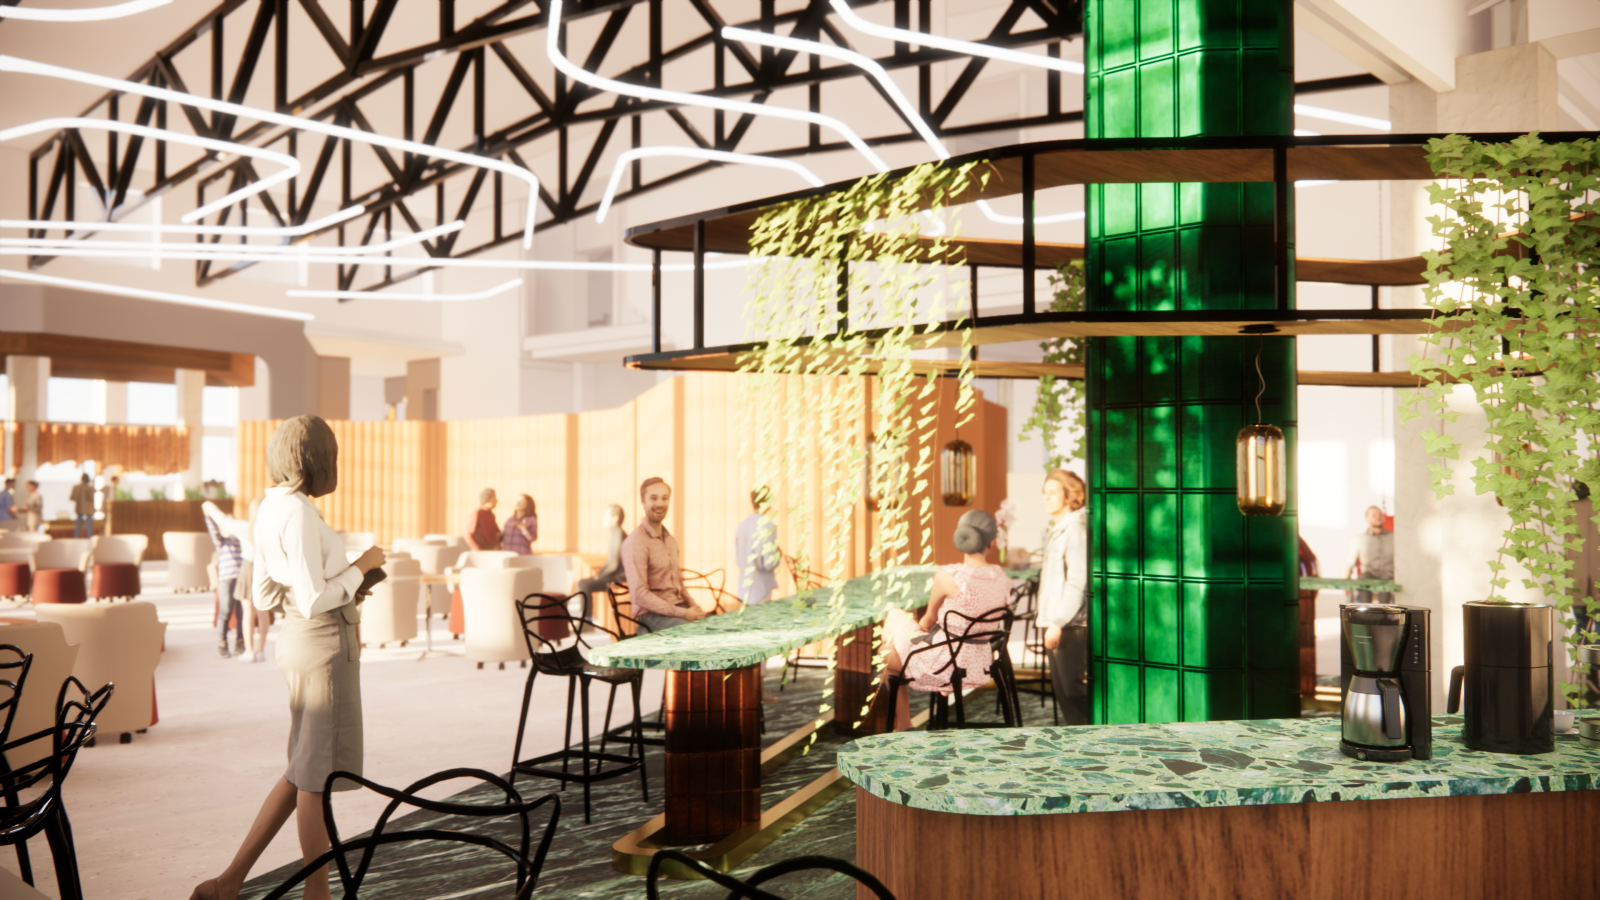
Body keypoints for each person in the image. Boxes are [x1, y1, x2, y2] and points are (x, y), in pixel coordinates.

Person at [189, 415, 385, 900]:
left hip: (298, 641)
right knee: (315, 780)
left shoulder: (270, 507)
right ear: (316, 458)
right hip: (324, 647)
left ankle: (226, 884)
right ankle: (316, 896)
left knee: (301, 771)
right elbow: (316, 598)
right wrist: (361, 568)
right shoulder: (298, 512)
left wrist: (343, 587)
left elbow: (262, 595)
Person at [880, 510, 1012, 731]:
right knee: (896, 632)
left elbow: (928, 620)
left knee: (887, 642)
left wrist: (914, 635)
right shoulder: (1002, 577)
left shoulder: (949, 576)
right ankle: (906, 719)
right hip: (981, 663)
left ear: (960, 537)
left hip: (946, 663)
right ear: (991, 543)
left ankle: (903, 723)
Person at [1036, 470, 1089, 725]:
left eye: (1053, 492)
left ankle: (1100, 740)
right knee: (1064, 694)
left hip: (1069, 625)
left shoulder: (1075, 530)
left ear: (1070, 496)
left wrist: (1058, 622)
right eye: (1044, 493)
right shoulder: (1059, 529)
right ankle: (1081, 742)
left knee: (1073, 692)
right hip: (1055, 622)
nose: (1046, 498)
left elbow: (1078, 582)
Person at [620, 477, 704, 633]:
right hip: (650, 617)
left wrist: (694, 608)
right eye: (653, 498)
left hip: (679, 610)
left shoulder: (670, 541)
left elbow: (678, 584)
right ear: (642, 501)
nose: (660, 503)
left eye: (665, 498)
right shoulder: (635, 543)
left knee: (720, 628)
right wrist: (684, 613)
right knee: (698, 634)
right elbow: (639, 595)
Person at [203, 500, 248, 659]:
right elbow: (213, 529)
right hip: (226, 581)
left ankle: (240, 642)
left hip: (241, 580)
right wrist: (208, 516)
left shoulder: (242, 542)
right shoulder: (222, 542)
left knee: (241, 613)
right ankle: (222, 644)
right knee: (225, 612)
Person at [575, 504, 627, 617]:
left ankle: (586, 620)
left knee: (584, 584)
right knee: (582, 583)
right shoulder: (615, 533)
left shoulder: (618, 534)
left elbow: (614, 565)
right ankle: (586, 619)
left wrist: (599, 576)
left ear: (615, 518)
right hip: (613, 576)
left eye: (605, 515)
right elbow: (610, 562)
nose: (603, 518)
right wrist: (599, 575)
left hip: (619, 578)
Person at [734, 487, 780, 606]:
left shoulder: (741, 526)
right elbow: (769, 564)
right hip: (761, 591)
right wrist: (777, 554)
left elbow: (737, 561)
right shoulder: (768, 527)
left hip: (743, 591)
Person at [1344, 505, 1395, 604]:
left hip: (1389, 575)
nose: (1378, 517)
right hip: (1369, 574)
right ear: (1367, 519)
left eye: (1380, 514)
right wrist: (1346, 583)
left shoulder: (1394, 537)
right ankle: (1366, 609)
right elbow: (1349, 563)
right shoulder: (1359, 539)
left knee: (1387, 581)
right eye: (1374, 515)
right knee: (1363, 578)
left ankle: (1384, 611)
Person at [70, 473, 96, 538]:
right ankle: (89, 539)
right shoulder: (89, 488)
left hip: (80, 508)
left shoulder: (76, 487)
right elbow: (90, 497)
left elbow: (73, 498)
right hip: (89, 509)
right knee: (89, 526)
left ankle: (76, 538)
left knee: (78, 525)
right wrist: (93, 486)